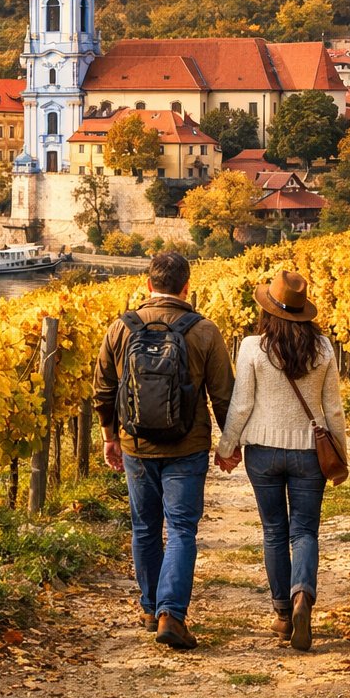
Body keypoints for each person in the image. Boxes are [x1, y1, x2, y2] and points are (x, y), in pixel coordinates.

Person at [94, 251, 233, 650]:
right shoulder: (205, 331)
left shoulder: (121, 328)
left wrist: (110, 436)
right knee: (182, 529)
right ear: (187, 287)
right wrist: (229, 444)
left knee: (145, 528)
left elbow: (102, 391)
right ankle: (172, 614)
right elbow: (224, 396)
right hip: (187, 447)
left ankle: (150, 606)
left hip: (137, 445)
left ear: (149, 284)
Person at [215, 269, 347, 652]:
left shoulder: (253, 347)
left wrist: (226, 448)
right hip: (310, 452)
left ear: (268, 311)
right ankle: (303, 595)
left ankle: (282, 615)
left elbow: (241, 406)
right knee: (304, 531)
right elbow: (333, 410)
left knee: (274, 531)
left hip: (263, 453)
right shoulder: (323, 349)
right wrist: (340, 455)